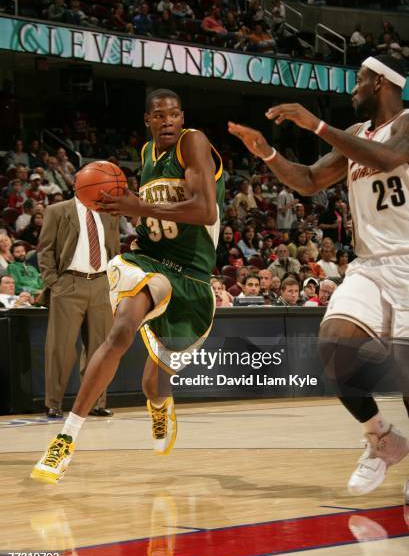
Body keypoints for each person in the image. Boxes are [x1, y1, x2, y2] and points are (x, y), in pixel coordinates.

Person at [228, 54, 409, 498]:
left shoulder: (407, 123)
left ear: (383, 83)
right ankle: (382, 439)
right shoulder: (352, 137)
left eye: (360, 80)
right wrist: (267, 153)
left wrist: (316, 126)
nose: (354, 88)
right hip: (369, 264)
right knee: (334, 345)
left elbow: (388, 158)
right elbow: (309, 180)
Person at [32, 89, 224, 483]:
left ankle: (159, 405)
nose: (168, 120)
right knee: (120, 332)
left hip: (192, 276)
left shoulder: (194, 142)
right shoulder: (145, 156)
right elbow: (151, 216)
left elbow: (204, 211)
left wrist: (140, 206)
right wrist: (135, 210)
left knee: (154, 383)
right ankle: (66, 438)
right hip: (150, 261)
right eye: (159, 115)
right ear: (148, 121)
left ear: (182, 117)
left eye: (174, 114)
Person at [35, 180, 120, 420]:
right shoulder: (57, 210)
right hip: (69, 283)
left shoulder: (108, 215)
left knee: (101, 348)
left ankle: (96, 403)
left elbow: (113, 250)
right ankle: (54, 403)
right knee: (60, 348)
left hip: (102, 283)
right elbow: (45, 250)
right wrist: (54, 283)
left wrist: (114, 283)